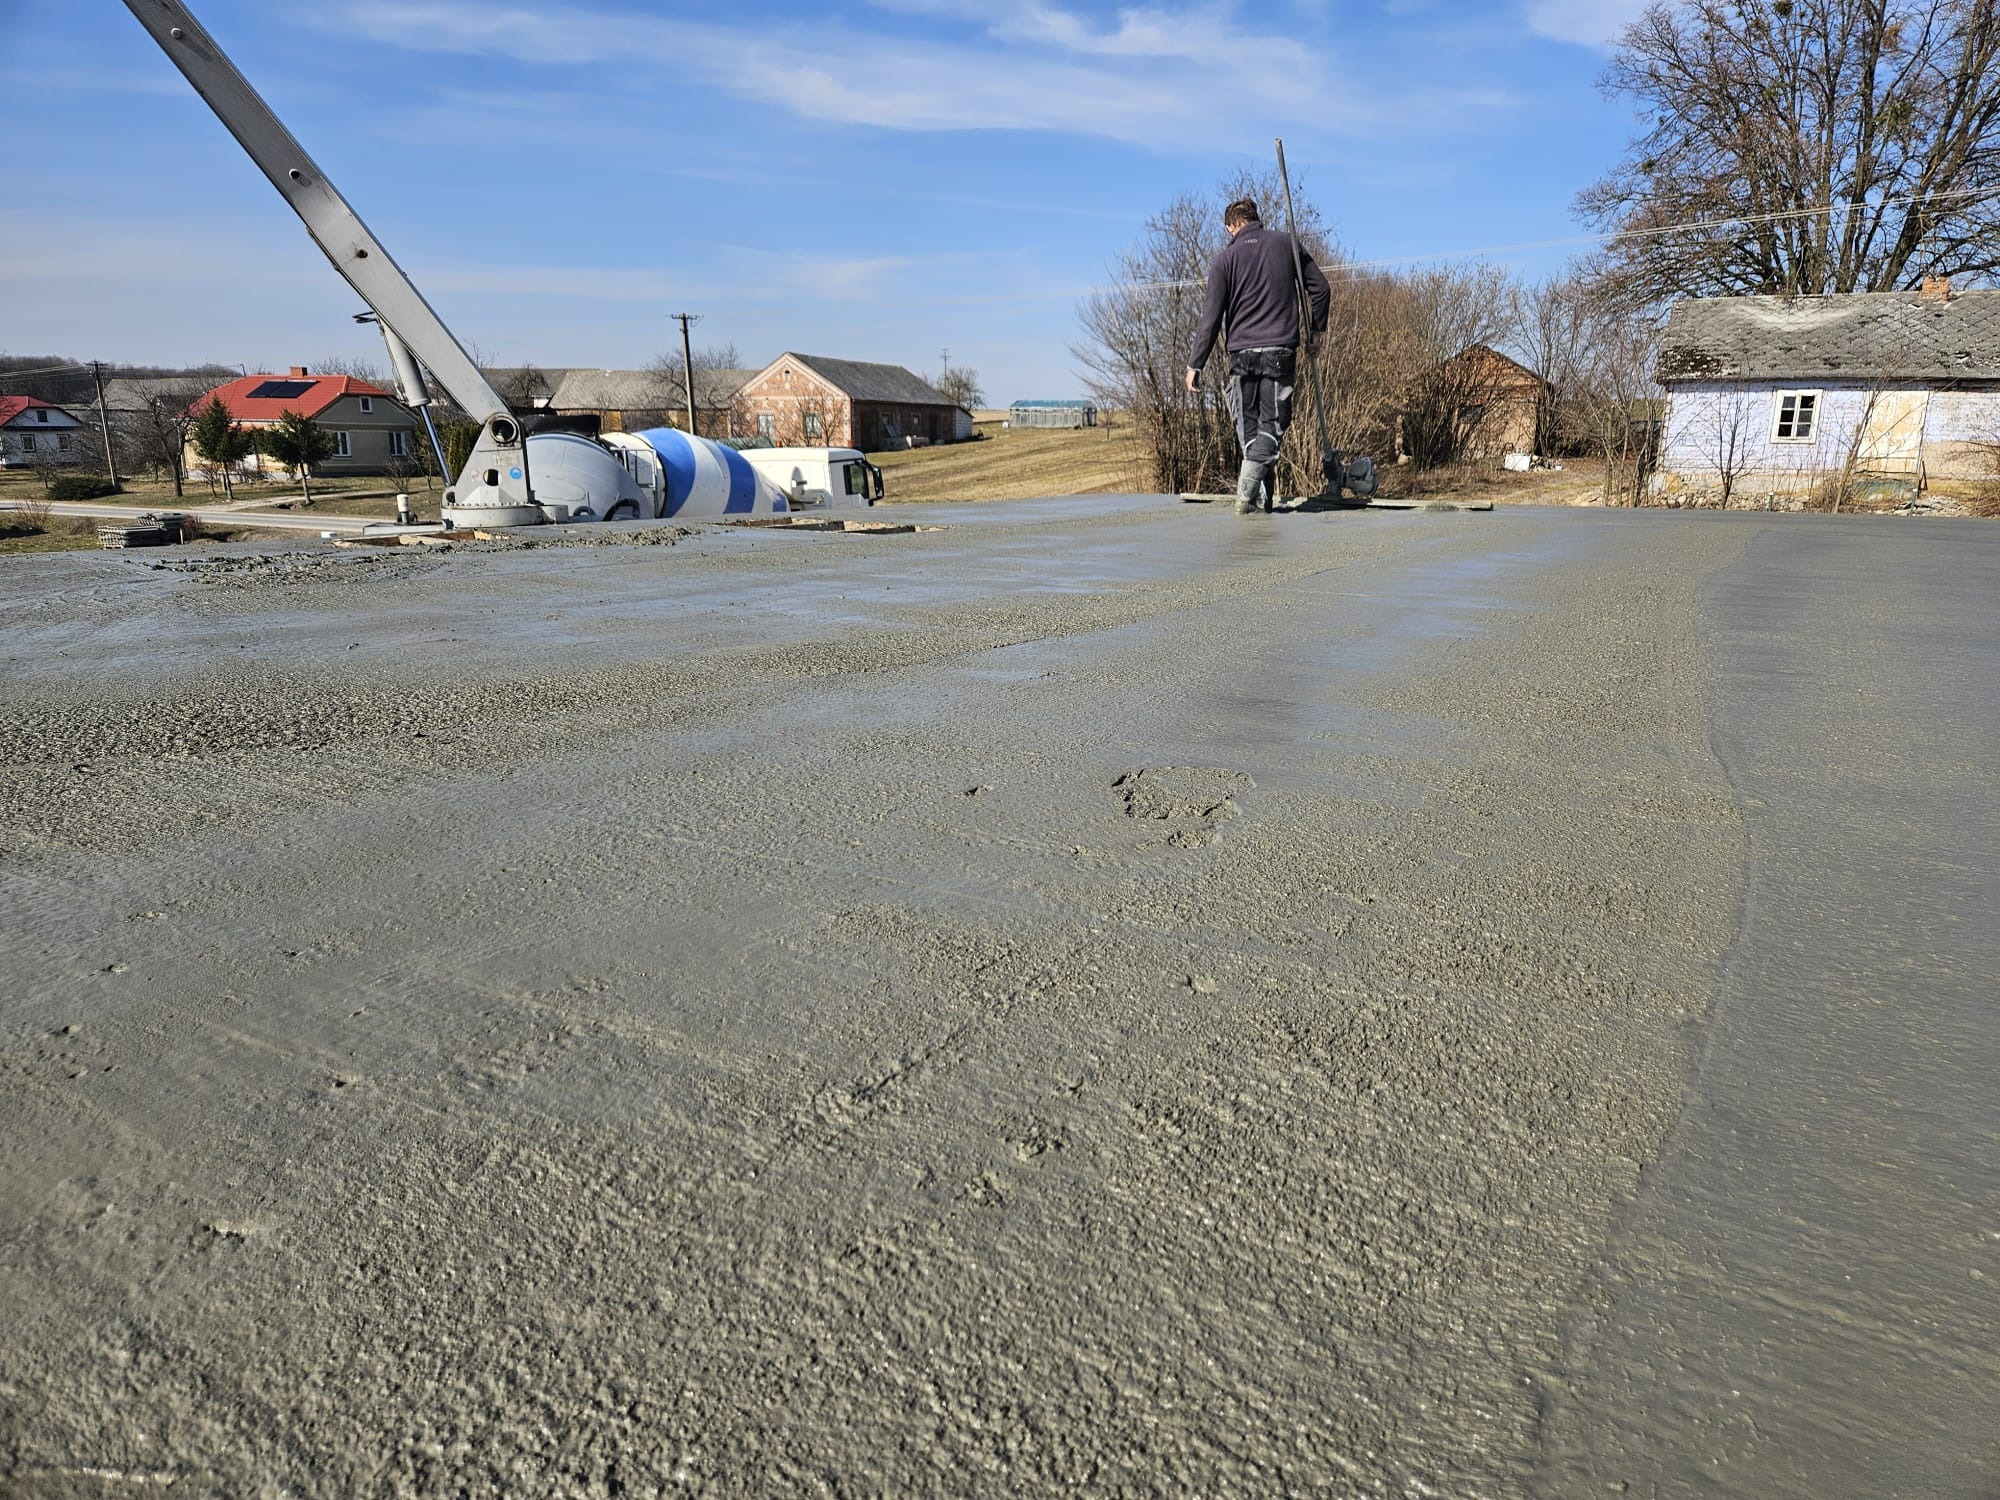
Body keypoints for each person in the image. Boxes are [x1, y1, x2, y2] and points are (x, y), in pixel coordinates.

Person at [1184, 197, 1331, 513]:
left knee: (1252, 433)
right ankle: (1248, 501)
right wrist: (1315, 332)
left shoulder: (1224, 260)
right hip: (1279, 352)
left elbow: (1210, 317)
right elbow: (1320, 288)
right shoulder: (1285, 243)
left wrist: (1195, 363)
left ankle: (1256, 504)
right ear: (1256, 218)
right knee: (1269, 430)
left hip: (1241, 356)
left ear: (1229, 227)